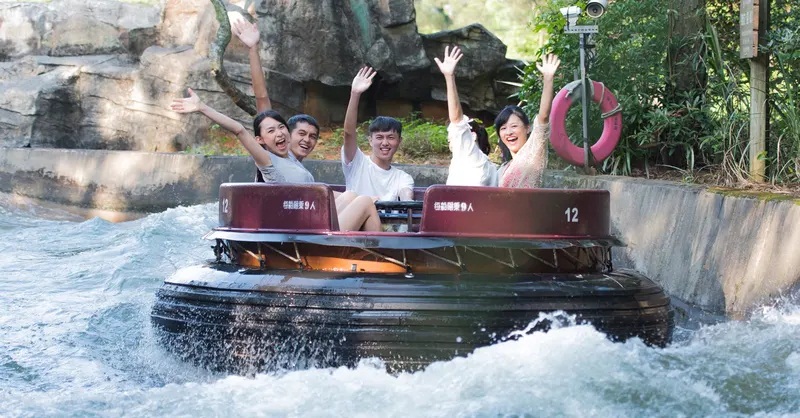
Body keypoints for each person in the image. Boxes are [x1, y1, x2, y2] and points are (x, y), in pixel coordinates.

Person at [170, 89, 381, 232]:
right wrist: (203, 107)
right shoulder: (267, 161)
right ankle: (378, 258)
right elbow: (239, 129)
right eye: (271, 131)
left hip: (311, 224)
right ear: (260, 140)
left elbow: (263, 99)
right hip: (306, 233)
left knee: (353, 195)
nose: (279, 133)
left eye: (281, 127)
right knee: (363, 202)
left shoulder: (290, 157)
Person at [232, 19, 319, 162]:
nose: (307, 140)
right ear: (287, 134)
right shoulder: (274, 154)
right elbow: (261, 97)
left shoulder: (300, 169)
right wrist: (253, 49)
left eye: (313, 136)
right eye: (301, 133)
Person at [342, 67, 414, 201]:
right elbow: (348, 134)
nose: (385, 143)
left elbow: (406, 196)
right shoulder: (357, 163)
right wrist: (355, 94)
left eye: (391, 137)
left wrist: (407, 200)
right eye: (379, 137)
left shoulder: (402, 177)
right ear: (370, 140)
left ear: (399, 141)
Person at [434, 45, 498, 186]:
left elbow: (457, 120)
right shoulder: (489, 166)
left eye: (454, 134)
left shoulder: (470, 155)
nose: (450, 139)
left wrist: (449, 77)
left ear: (472, 136)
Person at [494, 54, 561, 188]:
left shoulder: (534, 150)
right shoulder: (503, 169)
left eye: (514, 126)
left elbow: (543, 117)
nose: (509, 132)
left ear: (528, 128)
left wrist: (548, 79)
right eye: (503, 128)